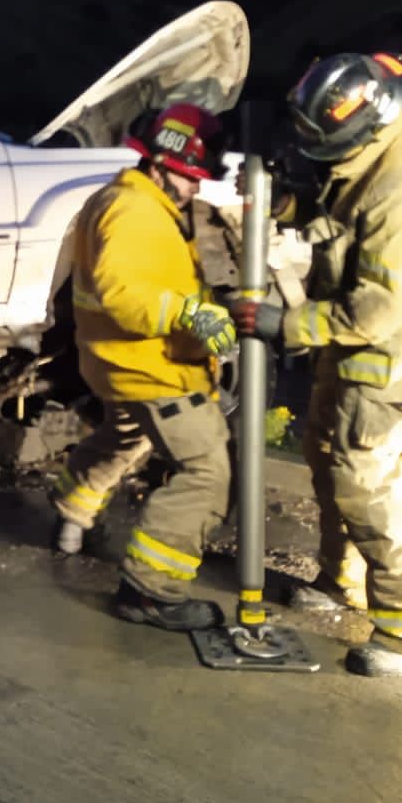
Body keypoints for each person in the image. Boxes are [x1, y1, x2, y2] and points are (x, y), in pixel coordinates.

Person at [231, 52, 402, 677]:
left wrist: (289, 324)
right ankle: (344, 584)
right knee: (330, 464)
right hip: (356, 350)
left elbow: (381, 307)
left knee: (375, 488)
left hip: (391, 359)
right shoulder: (378, 151)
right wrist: (286, 207)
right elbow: (343, 220)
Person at [50, 103, 240, 631]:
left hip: (113, 364)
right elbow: (123, 294)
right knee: (205, 473)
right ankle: (150, 591)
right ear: (158, 163)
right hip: (151, 370)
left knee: (123, 436)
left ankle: (70, 514)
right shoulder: (134, 211)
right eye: (189, 175)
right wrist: (190, 313)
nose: (195, 188)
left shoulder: (124, 200)